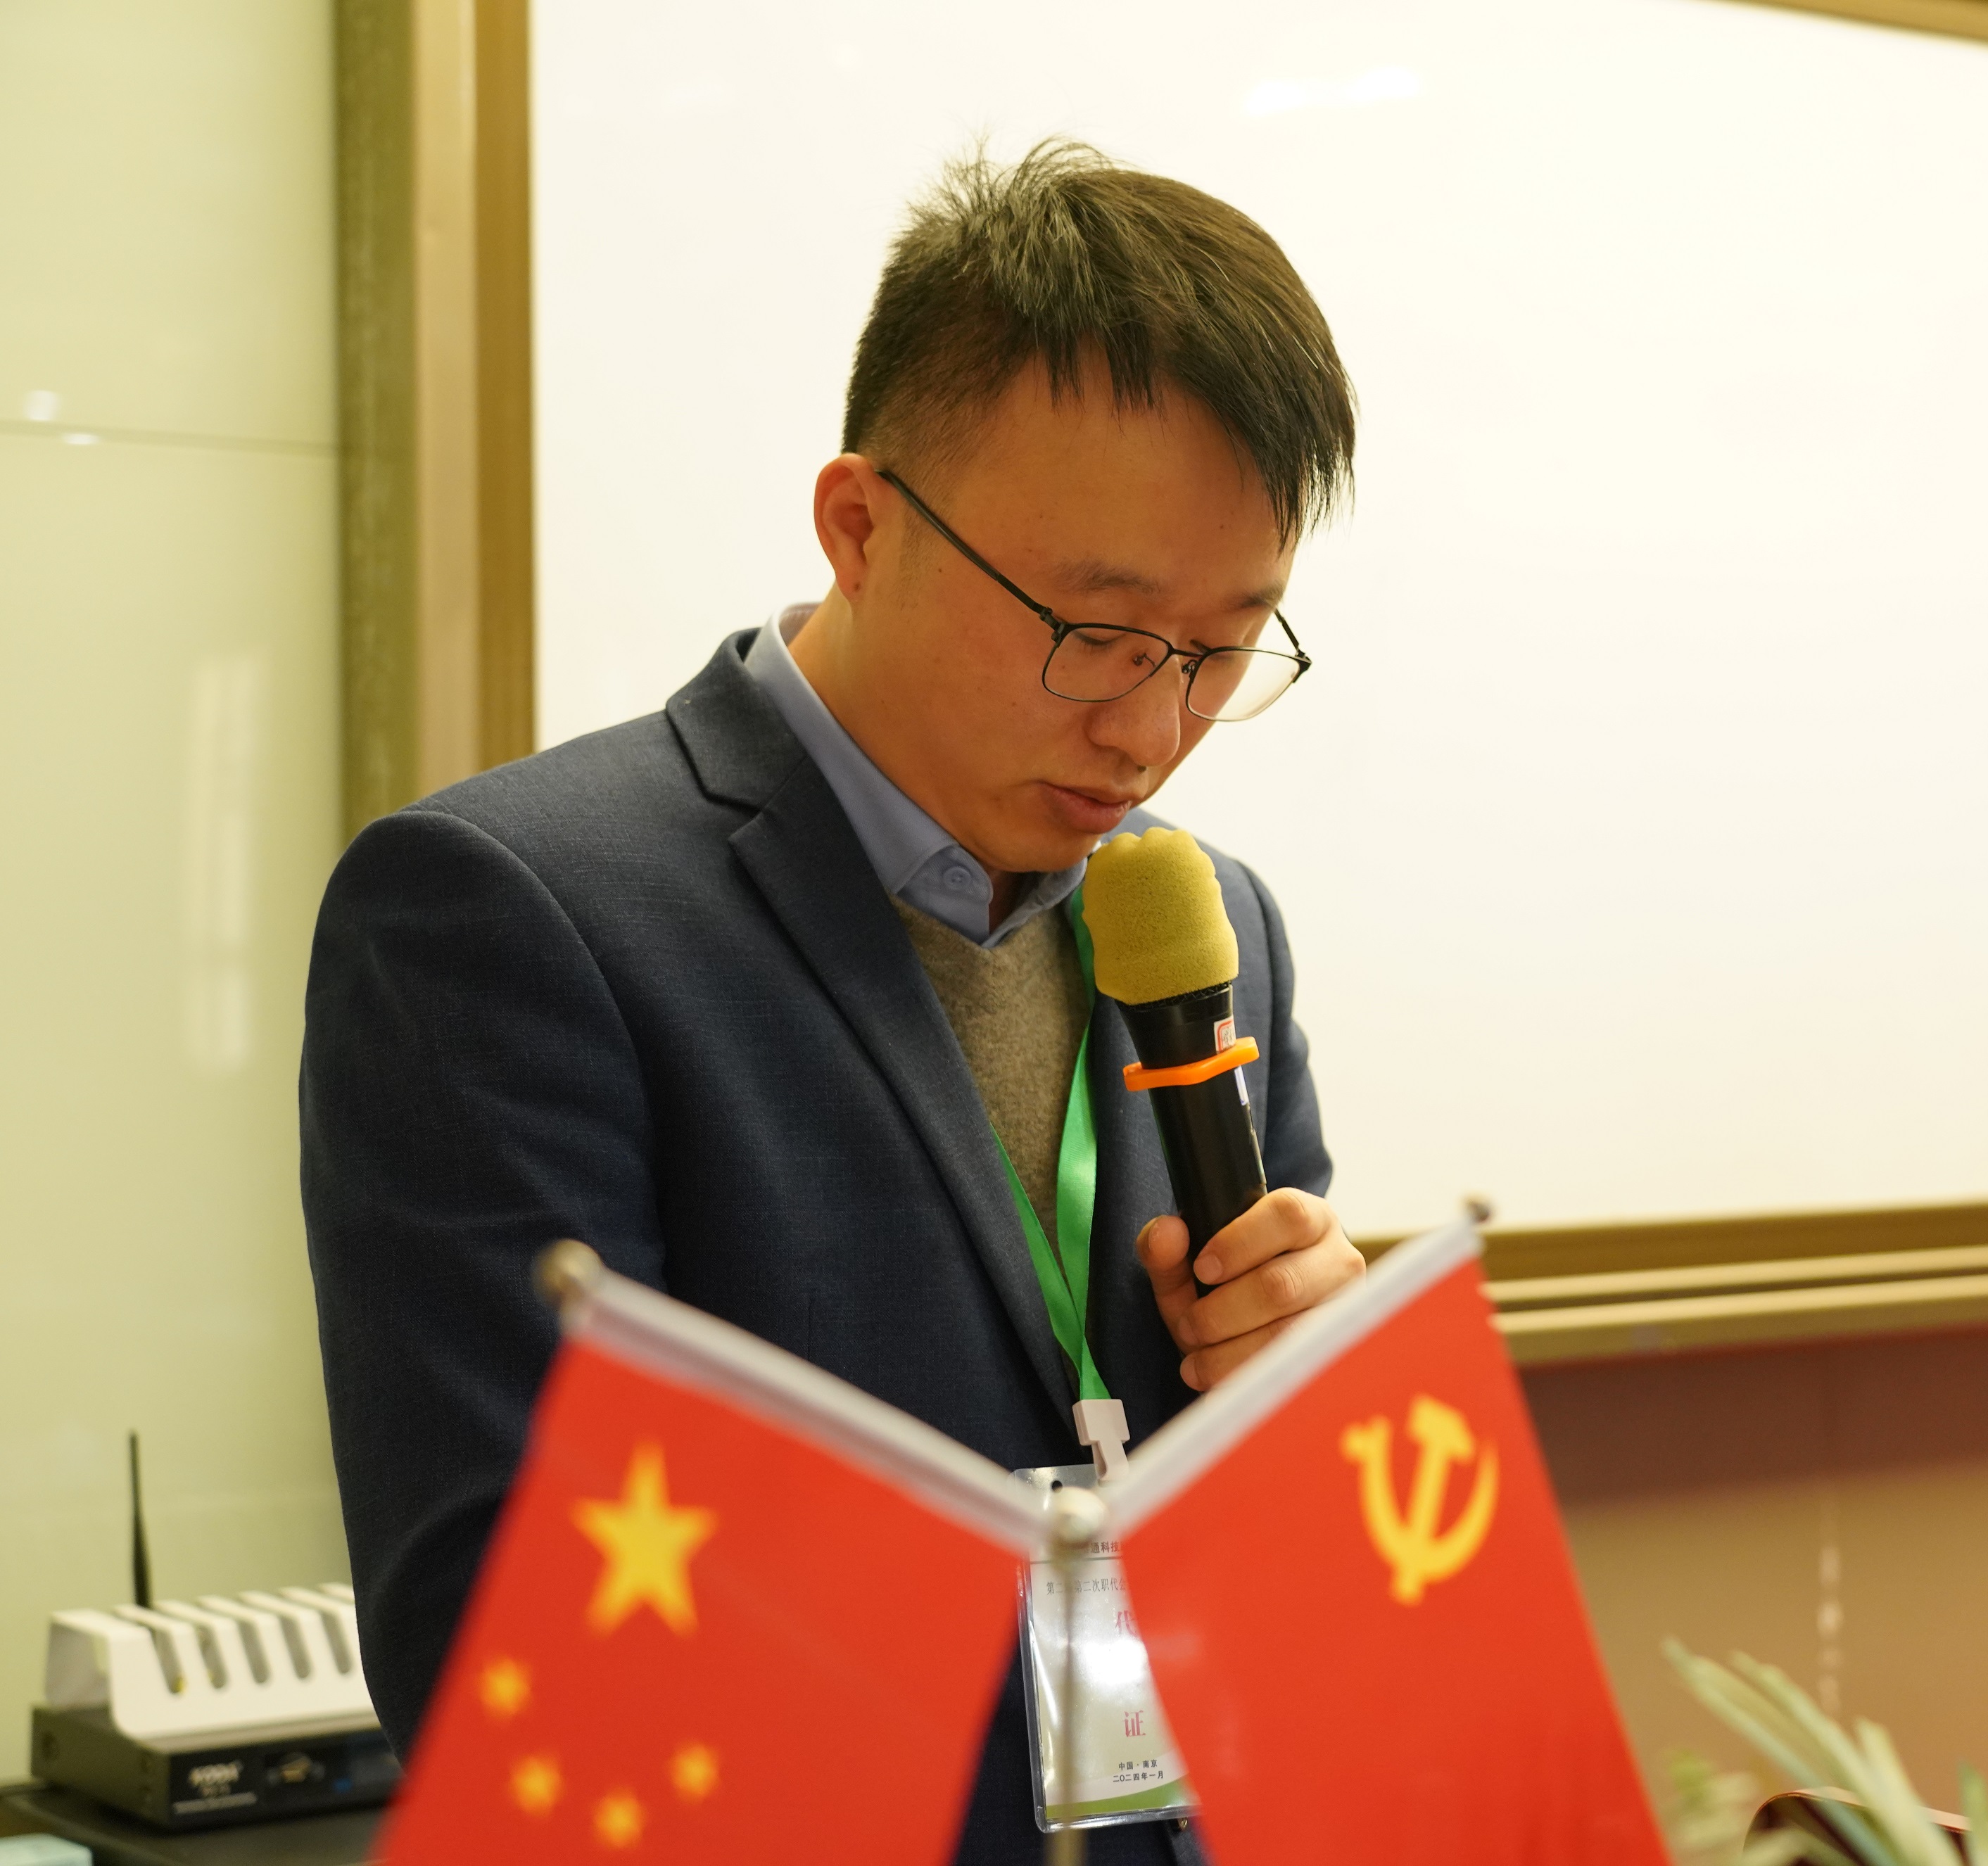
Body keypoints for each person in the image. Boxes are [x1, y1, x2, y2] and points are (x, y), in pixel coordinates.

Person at [300, 141, 1366, 1864]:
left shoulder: (1209, 920)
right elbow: (507, 1650)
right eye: (1095, 631)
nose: (1149, 727)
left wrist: (1305, 1404)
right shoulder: (511, 916)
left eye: (1223, 645)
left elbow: (1287, 1586)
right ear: (860, 525)